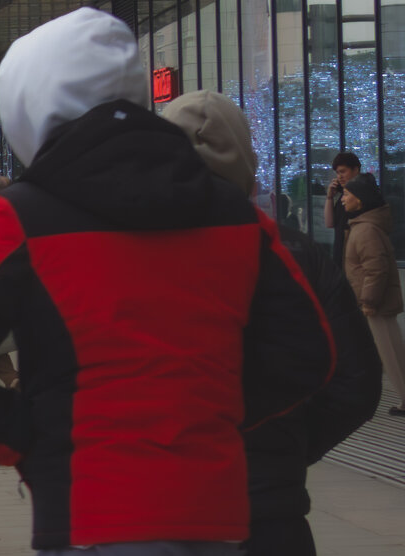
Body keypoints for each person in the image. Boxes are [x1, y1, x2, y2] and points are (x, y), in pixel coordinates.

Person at [0, 8, 335, 555]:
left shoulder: (21, 218)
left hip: (89, 509)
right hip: (216, 509)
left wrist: (31, 437)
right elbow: (307, 352)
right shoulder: (231, 212)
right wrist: (212, 415)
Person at [164, 90, 383, 556]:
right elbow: (357, 382)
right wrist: (289, 447)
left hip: (156, 510)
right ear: (247, 164)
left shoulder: (124, 255)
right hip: (269, 511)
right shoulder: (296, 253)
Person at [341, 174, 405, 416]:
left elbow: (375, 269)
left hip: (376, 304)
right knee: (389, 353)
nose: (343, 199)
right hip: (372, 302)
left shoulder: (366, 229)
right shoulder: (364, 225)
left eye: (347, 194)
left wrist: (369, 301)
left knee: (392, 355)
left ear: (360, 199)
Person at [325, 152, 366, 267]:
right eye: (337, 173)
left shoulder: (363, 195)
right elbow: (329, 223)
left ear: (355, 170)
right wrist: (329, 198)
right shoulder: (343, 196)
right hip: (340, 252)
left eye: (343, 171)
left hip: (354, 257)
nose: (339, 176)